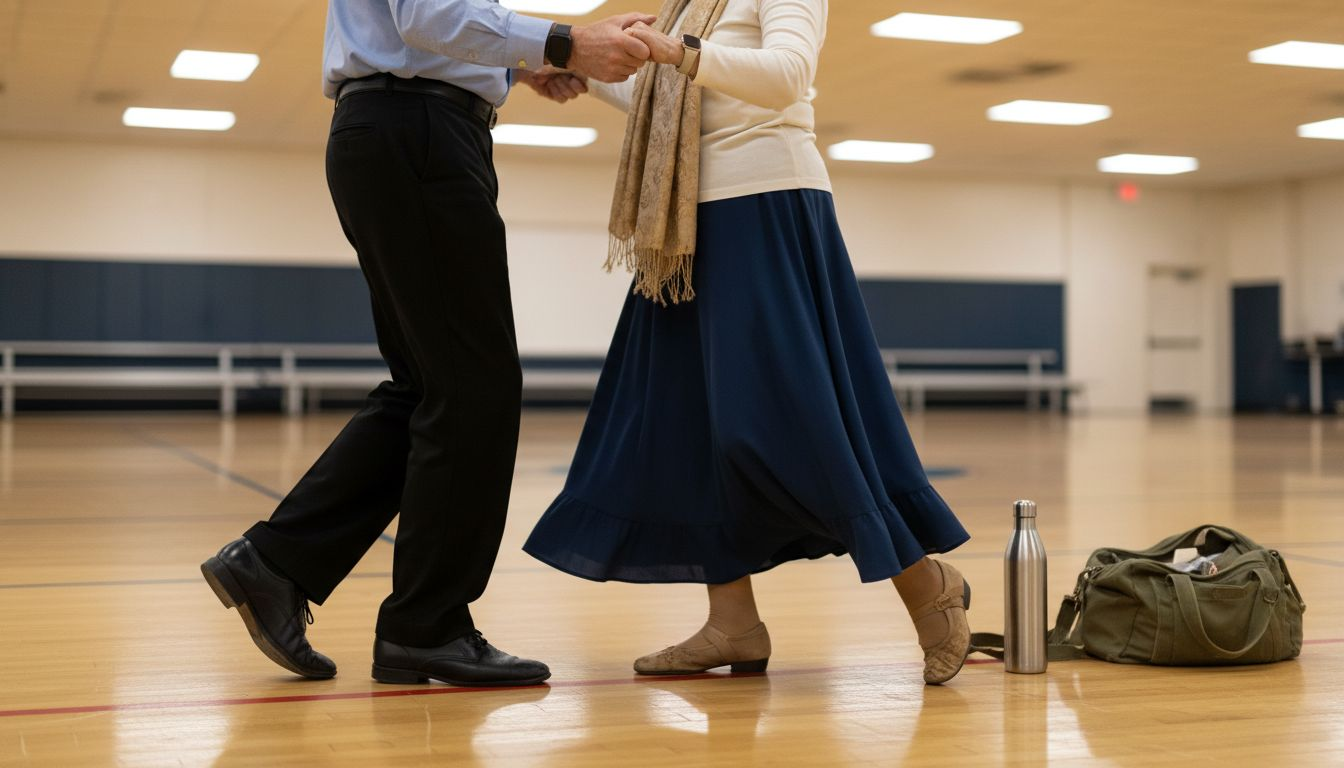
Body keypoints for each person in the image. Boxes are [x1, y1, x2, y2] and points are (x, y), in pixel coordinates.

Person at [201, 1, 654, 687]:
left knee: (429, 387)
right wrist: (565, 42)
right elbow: (429, 16)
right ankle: (427, 624)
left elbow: (432, 23)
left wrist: (518, 60)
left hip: (406, 129)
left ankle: (276, 565)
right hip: (418, 131)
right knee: (474, 387)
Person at [522, 0, 975, 685]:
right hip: (682, 225)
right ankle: (733, 621)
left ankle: (924, 583)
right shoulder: (688, 5)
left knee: (787, 423)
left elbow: (787, 74)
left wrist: (680, 53)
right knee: (686, 426)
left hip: (765, 206)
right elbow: (675, 97)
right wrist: (579, 67)